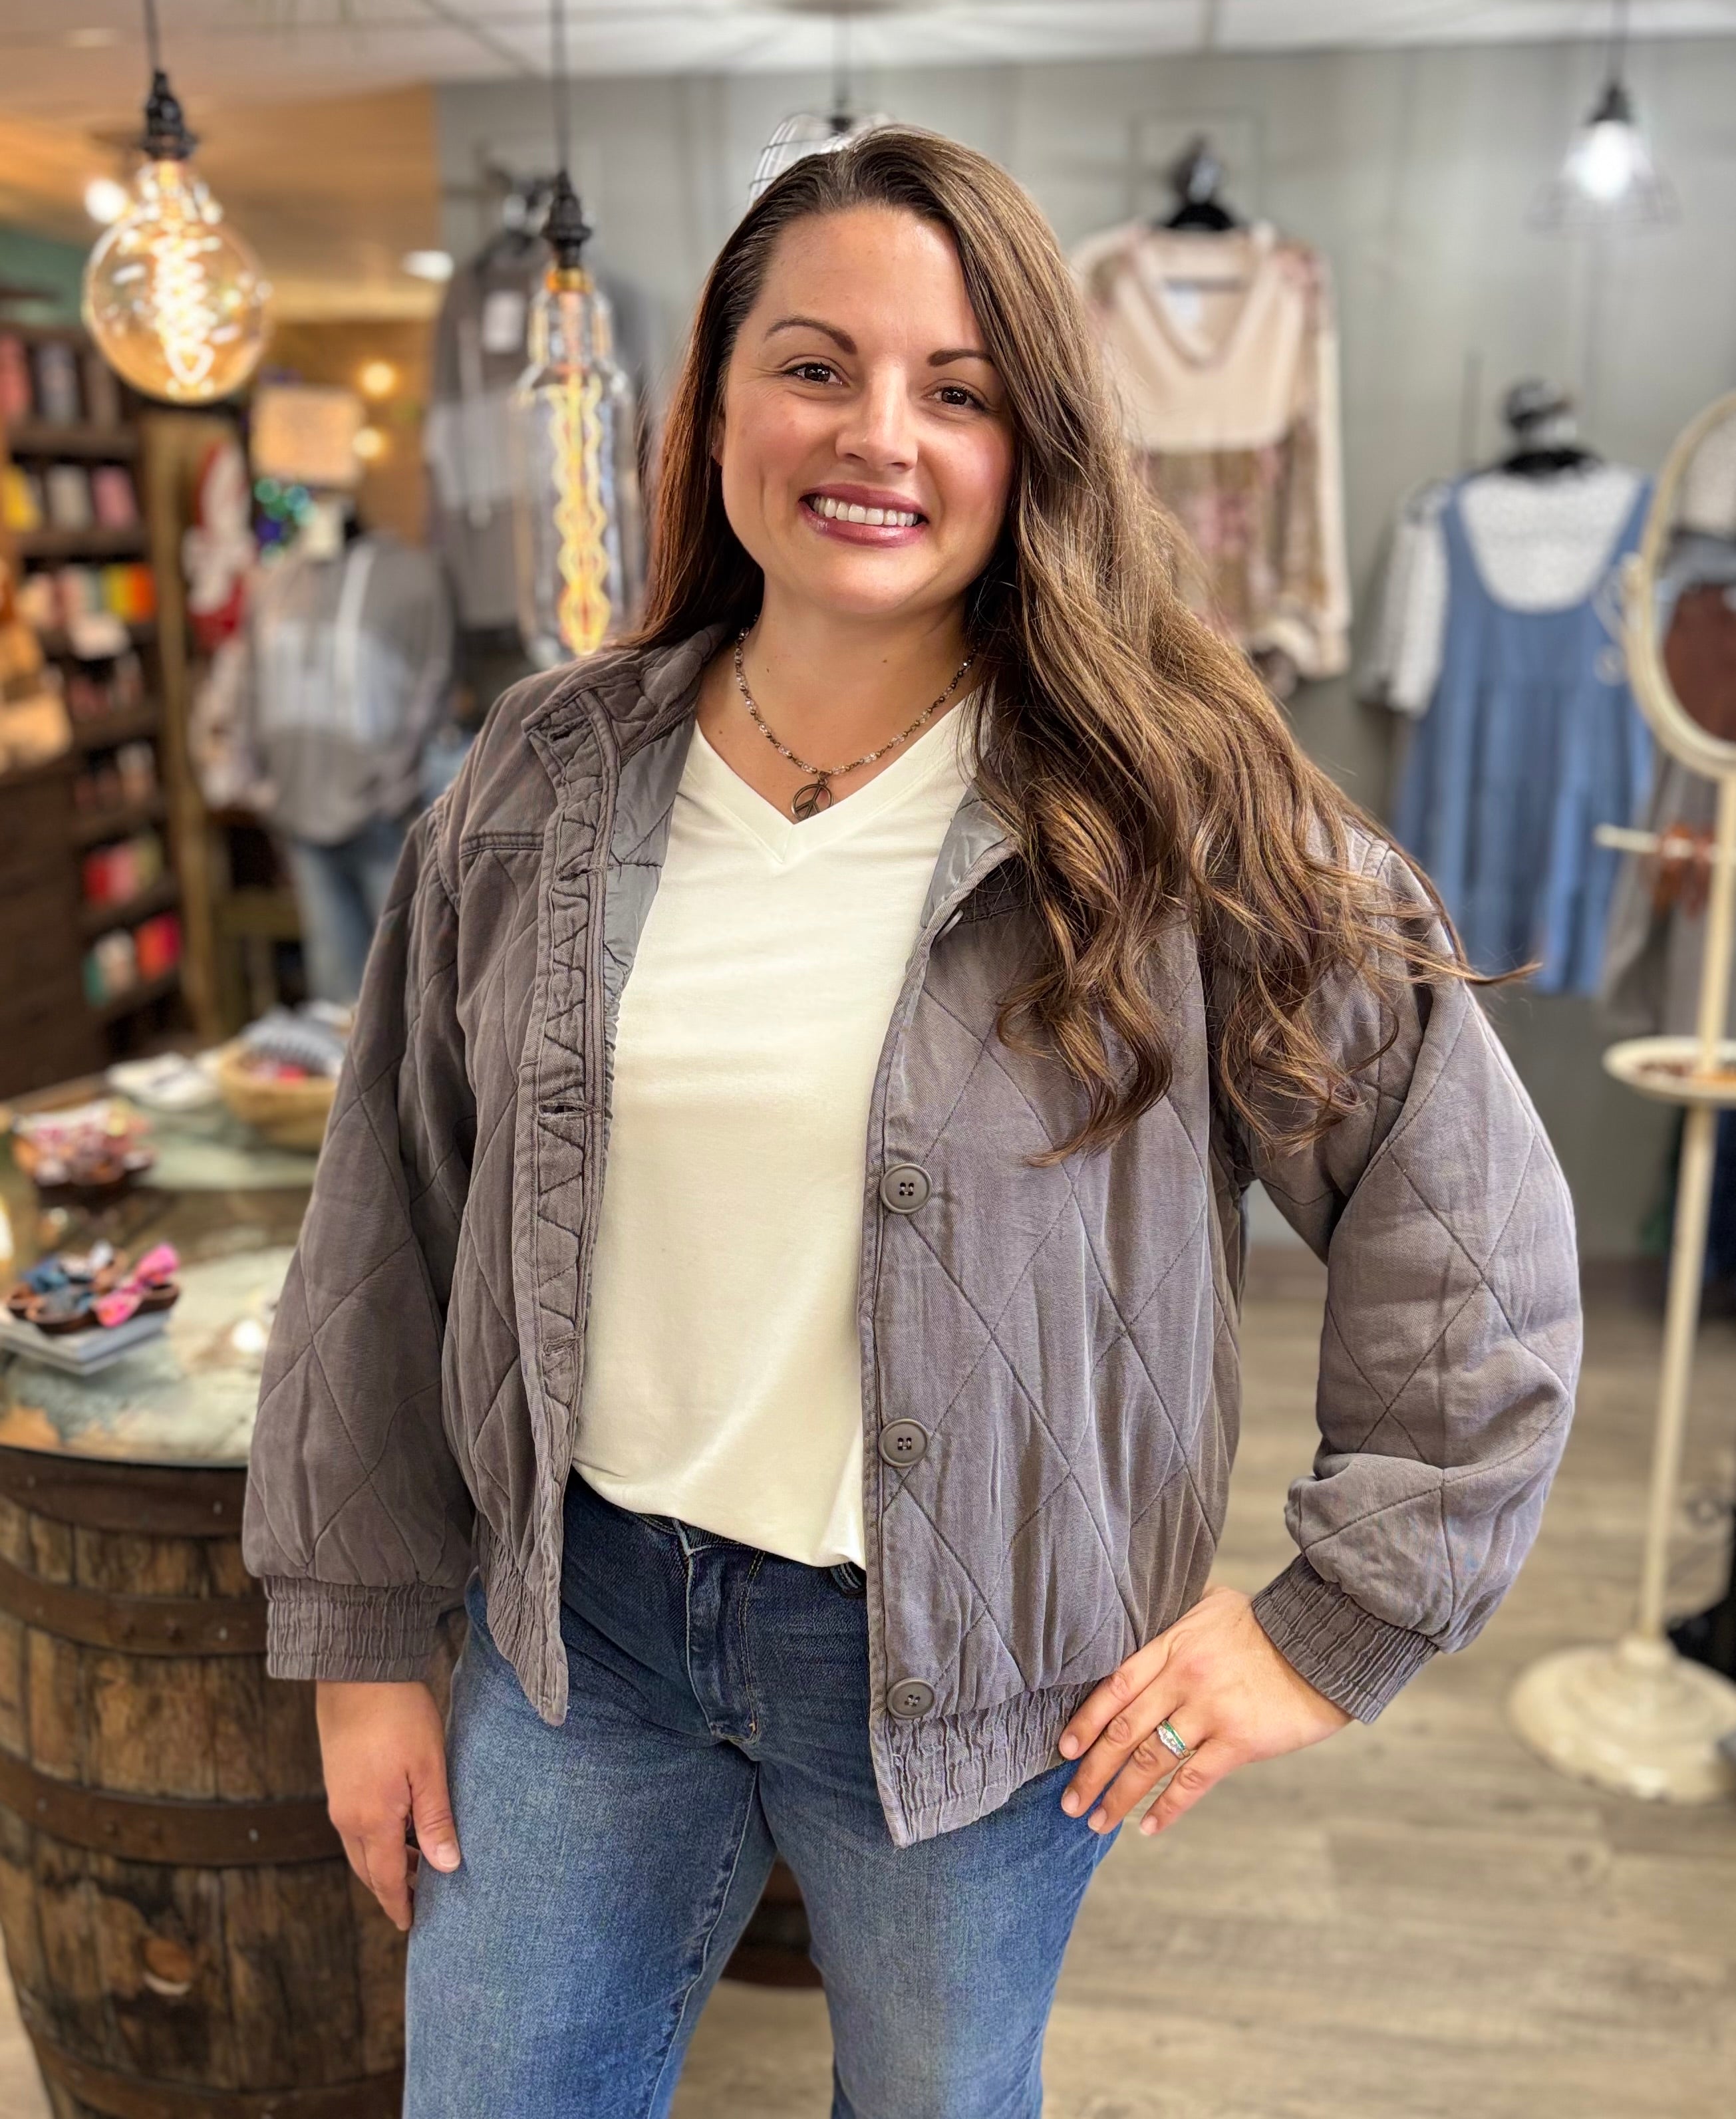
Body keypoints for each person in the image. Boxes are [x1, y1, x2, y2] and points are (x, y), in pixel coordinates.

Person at [242, 130, 1582, 2118]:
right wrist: (364, 1638)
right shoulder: (546, 772)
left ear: (1031, 442)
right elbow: (390, 1214)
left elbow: (1462, 1217)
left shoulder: (1171, 805)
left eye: (957, 390)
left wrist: (1335, 1621)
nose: (879, 433)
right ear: (714, 407)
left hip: (988, 1673)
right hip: (582, 1640)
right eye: (815, 366)